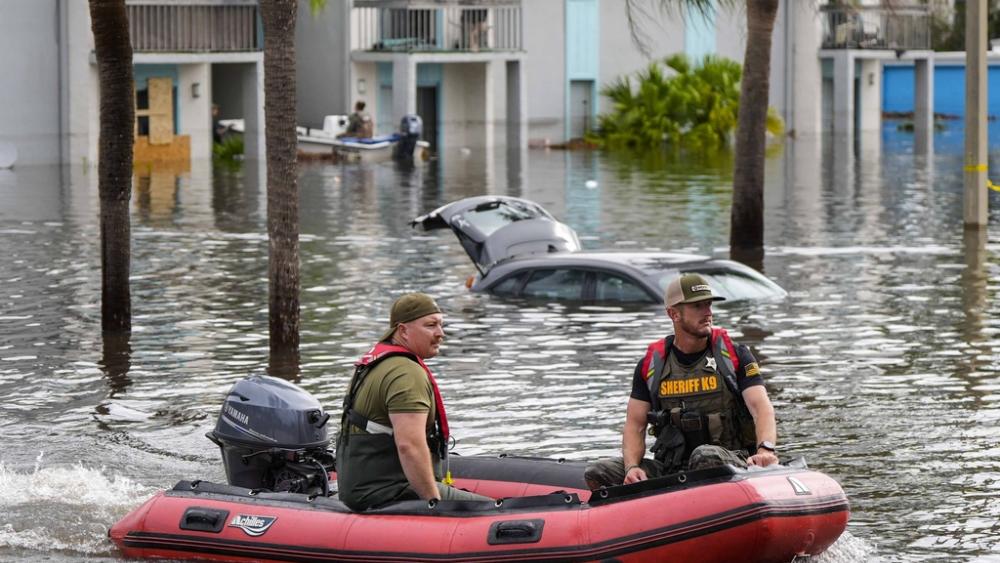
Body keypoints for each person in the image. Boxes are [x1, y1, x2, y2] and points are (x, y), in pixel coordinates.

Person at [584, 273, 779, 489]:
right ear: (674, 314)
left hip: (730, 462)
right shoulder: (651, 365)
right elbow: (635, 425)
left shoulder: (735, 355)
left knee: (704, 456)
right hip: (672, 469)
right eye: (697, 306)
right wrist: (632, 468)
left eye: (708, 304)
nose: (708, 312)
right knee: (598, 471)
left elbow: (760, 408)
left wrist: (765, 450)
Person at [336, 293, 490, 510]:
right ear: (403, 331)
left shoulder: (377, 364)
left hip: (363, 488)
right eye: (431, 325)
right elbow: (409, 445)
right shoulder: (406, 374)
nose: (440, 334)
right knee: (497, 512)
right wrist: (434, 503)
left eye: (441, 325)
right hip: (390, 490)